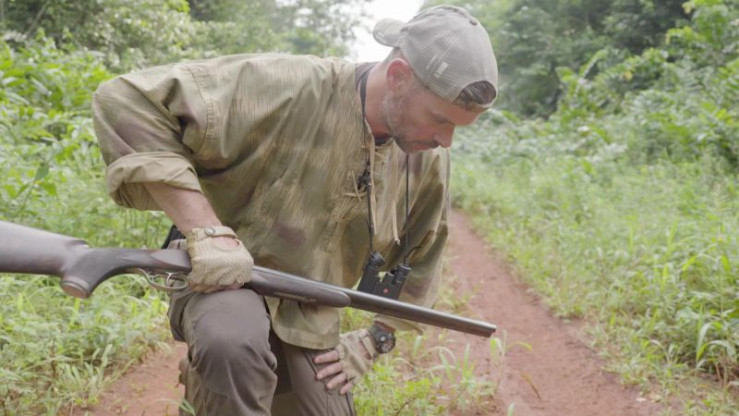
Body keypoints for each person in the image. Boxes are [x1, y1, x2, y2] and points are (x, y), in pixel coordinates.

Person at [92, 4, 497, 415]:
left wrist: (374, 340)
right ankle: (216, 379)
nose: (446, 140)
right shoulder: (285, 86)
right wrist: (207, 232)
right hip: (221, 282)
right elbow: (126, 100)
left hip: (309, 313)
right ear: (398, 77)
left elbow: (423, 255)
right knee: (231, 345)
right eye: (438, 119)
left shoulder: (428, 156)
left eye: (456, 127)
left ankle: (229, 384)